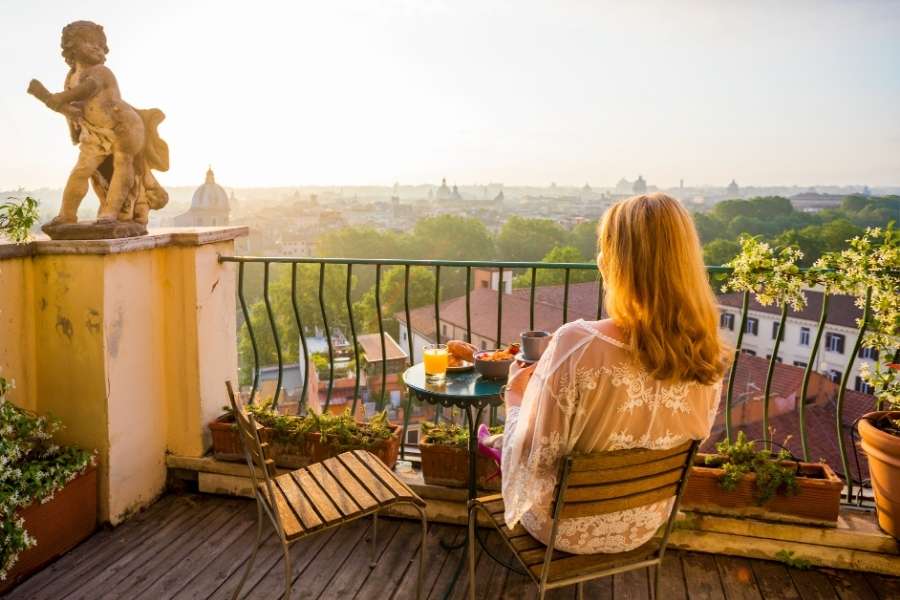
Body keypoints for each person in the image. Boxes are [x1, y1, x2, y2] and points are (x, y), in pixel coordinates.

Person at [495, 193, 729, 554]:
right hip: (644, 525)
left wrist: (515, 399)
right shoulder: (706, 349)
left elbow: (534, 459)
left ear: (615, 262)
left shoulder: (577, 344)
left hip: (562, 528)